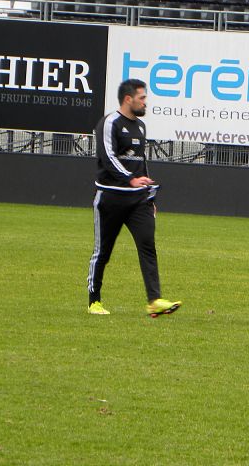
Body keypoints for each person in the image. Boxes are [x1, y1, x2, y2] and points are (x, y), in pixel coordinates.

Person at [86, 78, 181, 318]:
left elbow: (141, 163)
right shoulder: (110, 123)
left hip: (138, 201)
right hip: (110, 199)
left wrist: (150, 197)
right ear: (128, 99)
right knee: (103, 252)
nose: (145, 102)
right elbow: (107, 157)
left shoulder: (140, 126)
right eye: (142, 98)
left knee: (148, 246)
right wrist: (129, 178)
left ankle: (154, 300)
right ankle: (94, 300)